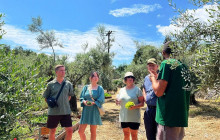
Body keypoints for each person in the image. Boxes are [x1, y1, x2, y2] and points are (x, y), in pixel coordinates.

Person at [149, 42, 191, 140]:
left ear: (163, 52)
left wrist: (153, 79)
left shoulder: (166, 63)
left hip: (168, 119)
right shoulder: (184, 67)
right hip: (180, 117)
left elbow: (159, 92)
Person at [43, 65, 74, 140]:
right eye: (61, 70)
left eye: (64, 70)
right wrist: (52, 104)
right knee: (52, 131)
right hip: (54, 112)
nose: (63, 72)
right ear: (56, 72)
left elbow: (69, 96)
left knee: (70, 131)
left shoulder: (68, 84)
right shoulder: (50, 84)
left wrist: (64, 104)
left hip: (65, 111)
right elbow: (46, 97)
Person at [116, 72, 144, 140]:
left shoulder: (137, 90)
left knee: (134, 135)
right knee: (126, 135)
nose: (130, 78)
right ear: (125, 79)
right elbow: (118, 100)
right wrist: (117, 101)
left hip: (134, 117)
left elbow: (142, 103)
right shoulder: (121, 90)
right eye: (128, 77)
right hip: (124, 117)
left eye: (132, 77)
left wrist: (135, 106)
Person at [78, 71, 105, 140]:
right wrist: (84, 101)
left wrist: (94, 103)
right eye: (94, 76)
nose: (96, 78)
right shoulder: (85, 87)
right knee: (80, 131)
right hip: (86, 111)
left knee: (93, 131)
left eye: (97, 76)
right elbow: (81, 97)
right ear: (90, 78)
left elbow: (101, 99)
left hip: (94, 110)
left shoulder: (100, 88)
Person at [142, 58, 159, 140]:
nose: (151, 67)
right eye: (149, 65)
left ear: (157, 66)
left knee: (159, 135)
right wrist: (145, 97)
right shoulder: (146, 78)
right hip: (148, 110)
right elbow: (144, 88)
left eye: (153, 65)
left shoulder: (161, 77)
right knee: (149, 135)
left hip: (159, 110)